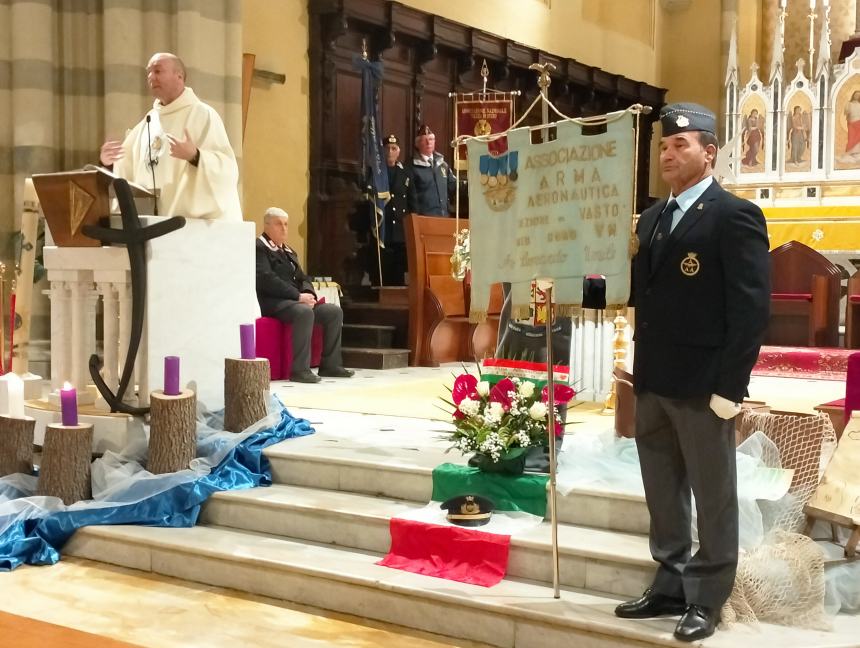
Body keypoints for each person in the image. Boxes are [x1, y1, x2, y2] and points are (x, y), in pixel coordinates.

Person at [615, 103, 770, 642]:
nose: (668, 153)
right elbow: (642, 293)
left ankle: (706, 595)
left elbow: (750, 310)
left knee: (713, 491)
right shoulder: (654, 216)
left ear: (710, 151)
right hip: (654, 377)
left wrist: (732, 387)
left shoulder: (734, 216)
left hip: (705, 383)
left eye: (681, 145)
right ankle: (669, 580)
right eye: (663, 146)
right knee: (662, 488)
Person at [99, 52, 242, 221]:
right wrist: (107, 162)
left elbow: (227, 170)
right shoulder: (146, 123)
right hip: (151, 228)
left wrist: (195, 156)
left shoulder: (202, 114)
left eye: (158, 71)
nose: (151, 77)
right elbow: (126, 170)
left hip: (193, 229)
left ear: (179, 76)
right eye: (149, 73)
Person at [255, 208, 354, 383]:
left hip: (296, 302)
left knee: (333, 312)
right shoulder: (259, 247)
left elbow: (303, 277)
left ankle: (331, 365)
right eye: (279, 224)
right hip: (273, 302)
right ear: (267, 225)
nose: (284, 229)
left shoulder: (288, 251)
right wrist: (297, 296)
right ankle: (299, 370)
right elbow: (266, 279)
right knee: (304, 312)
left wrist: (308, 293)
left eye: (286, 224)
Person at [406, 124, 456, 216]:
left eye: (431, 139)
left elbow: (453, 186)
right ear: (417, 144)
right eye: (424, 140)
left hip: (444, 217)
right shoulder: (411, 167)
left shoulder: (442, 164)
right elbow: (410, 197)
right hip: (424, 219)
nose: (428, 143)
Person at [381, 134, 409, 284]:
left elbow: (412, 200)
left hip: (399, 227)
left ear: (398, 152)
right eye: (387, 148)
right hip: (383, 225)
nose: (390, 152)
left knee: (399, 266)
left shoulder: (405, 173)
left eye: (394, 148)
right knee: (383, 264)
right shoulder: (377, 173)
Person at [841, 90, 860, 162]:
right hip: (851, 123)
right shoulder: (849, 103)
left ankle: (857, 152)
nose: (857, 96)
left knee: (859, 138)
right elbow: (845, 113)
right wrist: (847, 110)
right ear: (853, 95)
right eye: (856, 95)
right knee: (851, 138)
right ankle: (850, 153)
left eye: (858, 95)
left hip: (859, 122)